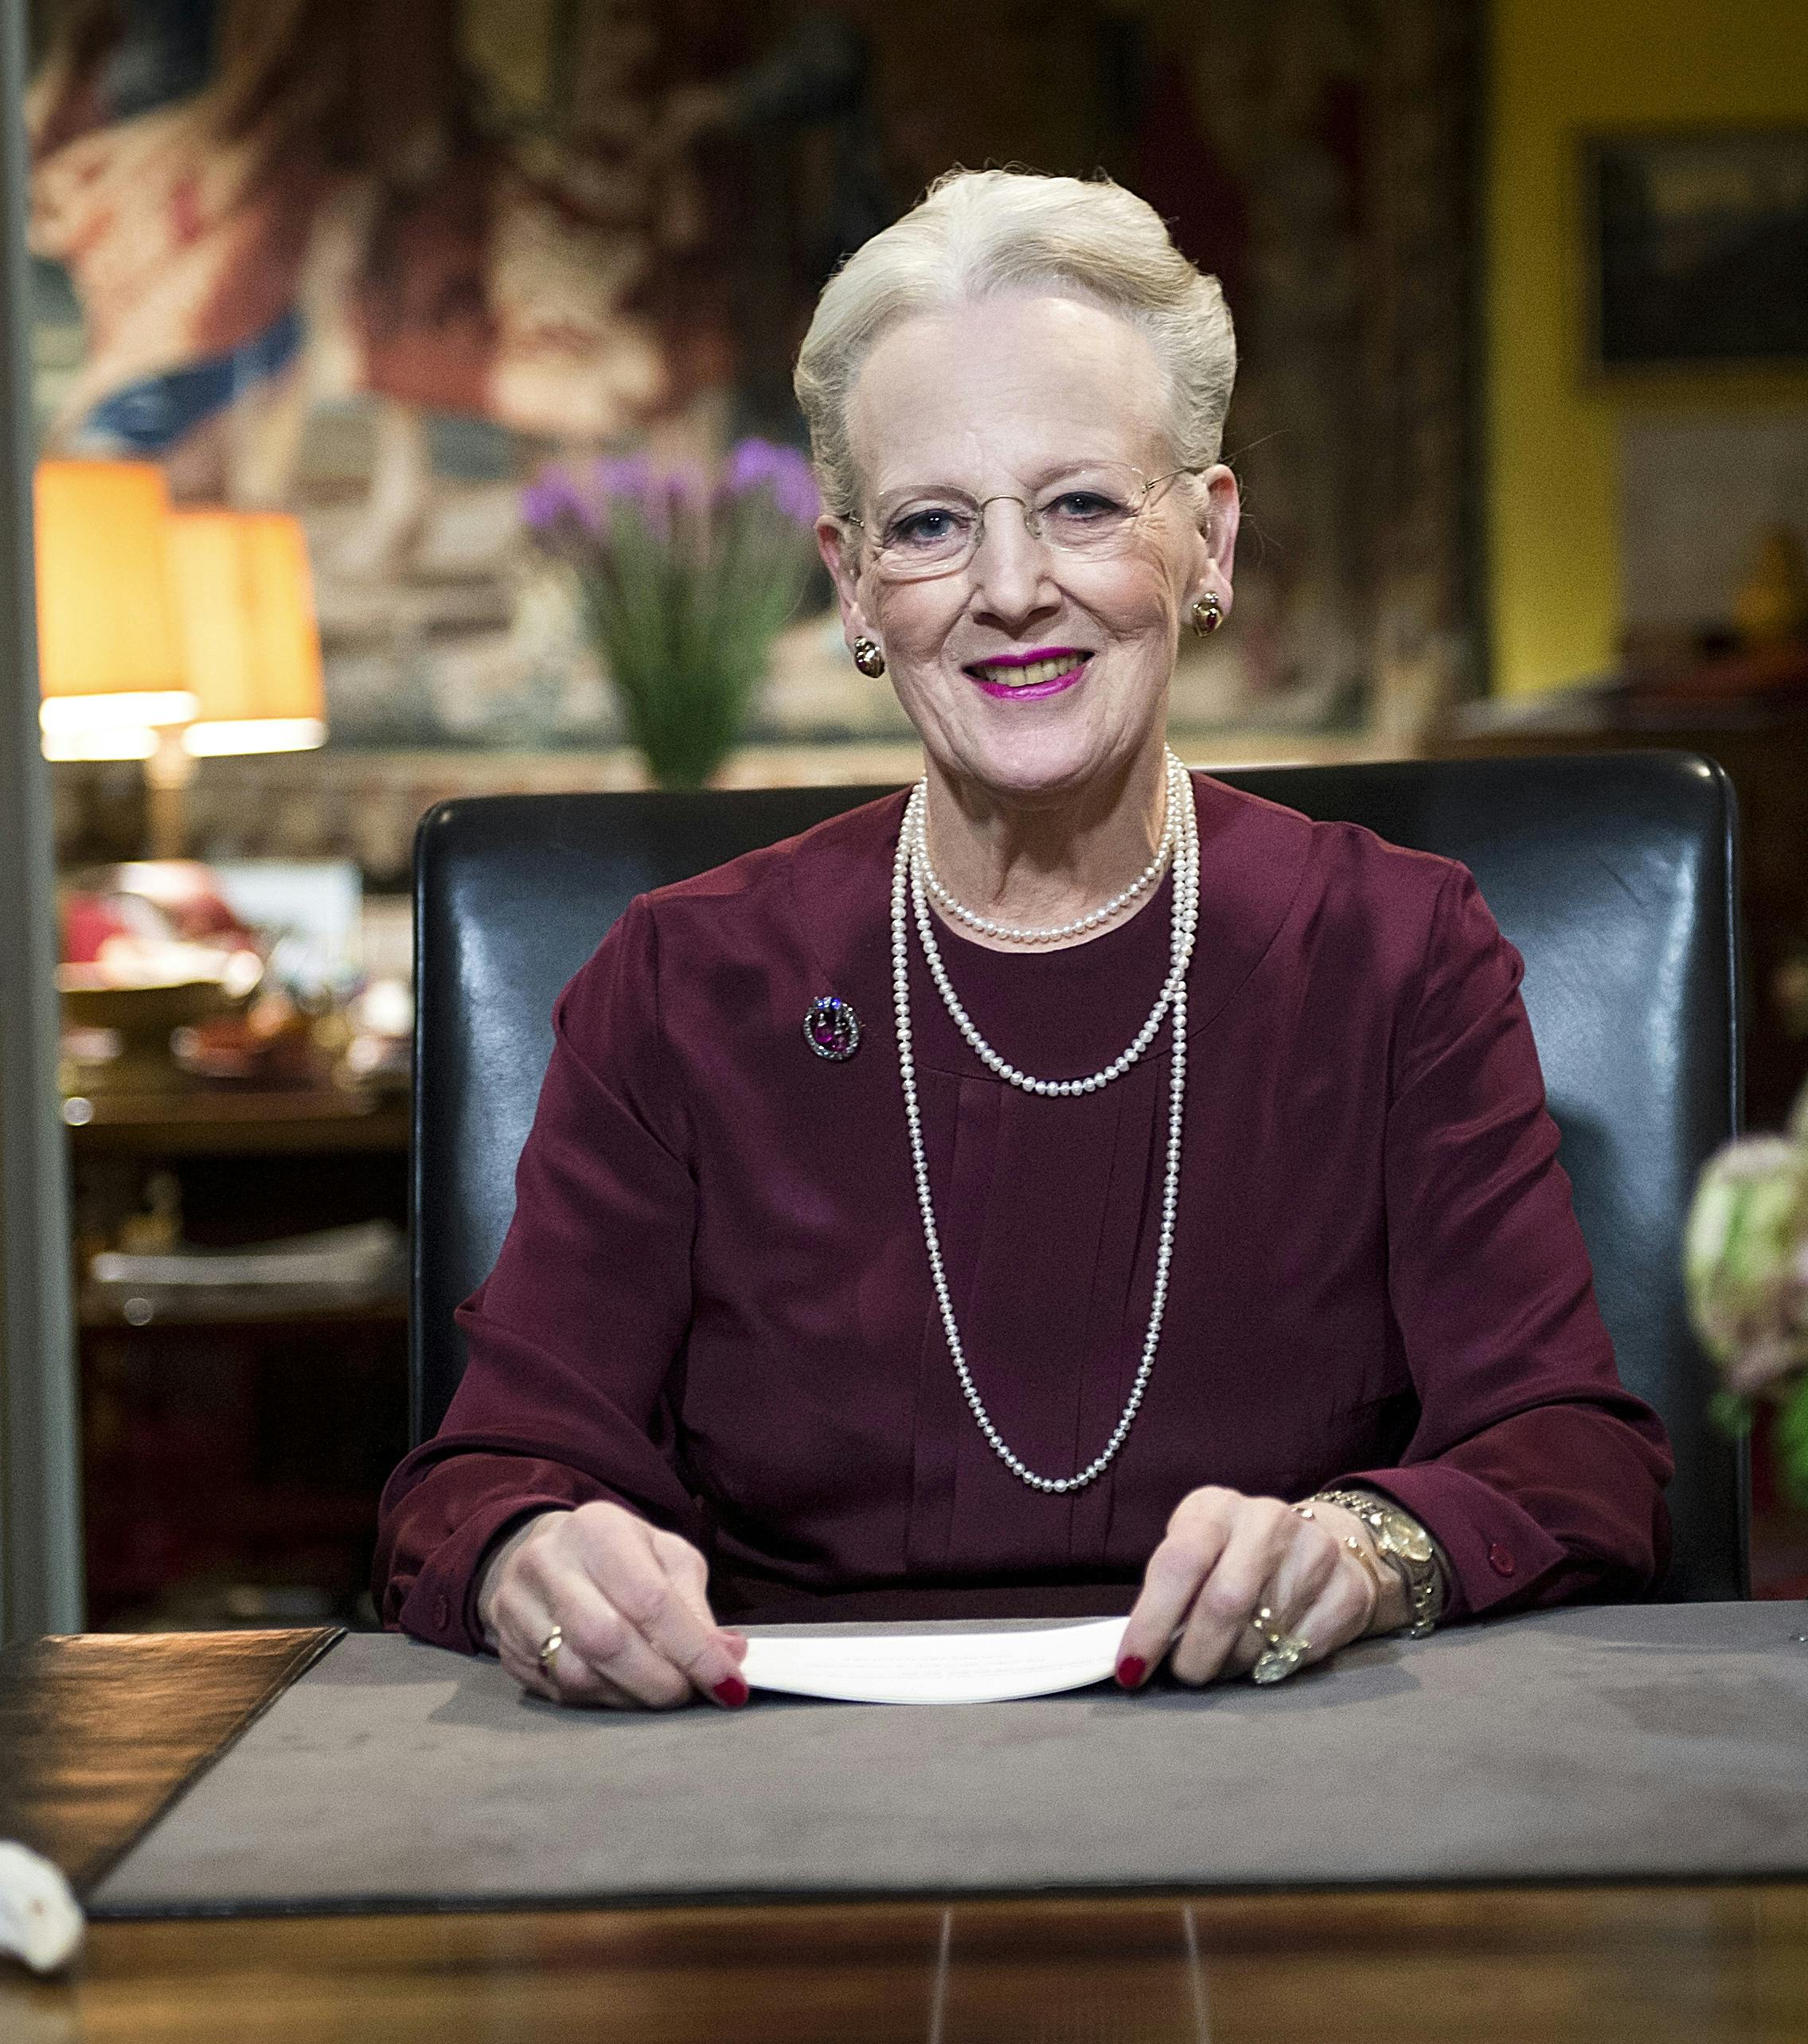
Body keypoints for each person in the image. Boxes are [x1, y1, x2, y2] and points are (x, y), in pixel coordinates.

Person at [374, 167, 1673, 1710]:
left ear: (1210, 540)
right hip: (787, 1789)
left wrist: (1374, 1546)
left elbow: (1572, 1453)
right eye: (931, 524)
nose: (1010, 590)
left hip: (1283, 1763)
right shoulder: (682, 983)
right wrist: (538, 1552)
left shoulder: (1401, 952)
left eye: (1081, 505)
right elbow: (487, 1475)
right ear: (856, 588)